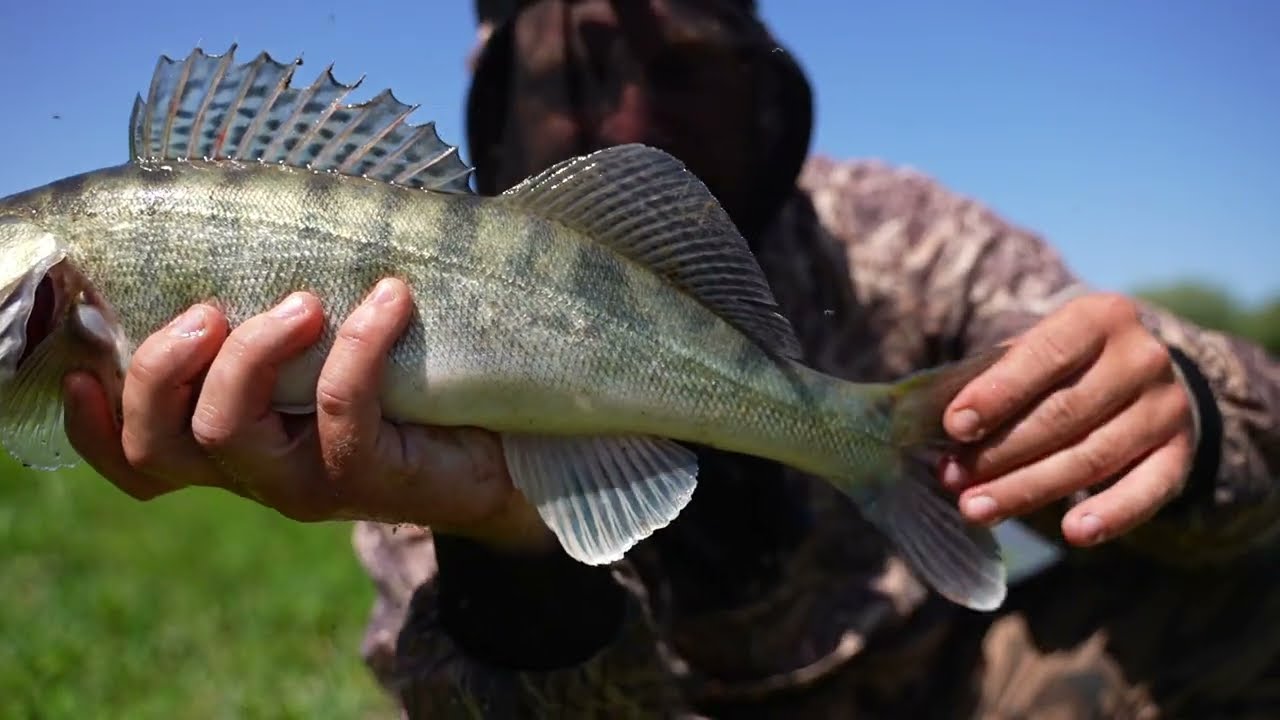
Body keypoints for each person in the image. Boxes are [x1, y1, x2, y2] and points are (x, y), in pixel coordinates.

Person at [63, 1, 1280, 717]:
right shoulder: (399, 339)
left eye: (687, 60)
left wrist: (1181, 403)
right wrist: (505, 546)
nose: (635, 115)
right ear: (495, 99)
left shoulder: (900, 238)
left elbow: (1078, 341)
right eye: (578, 66)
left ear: (765, 86)